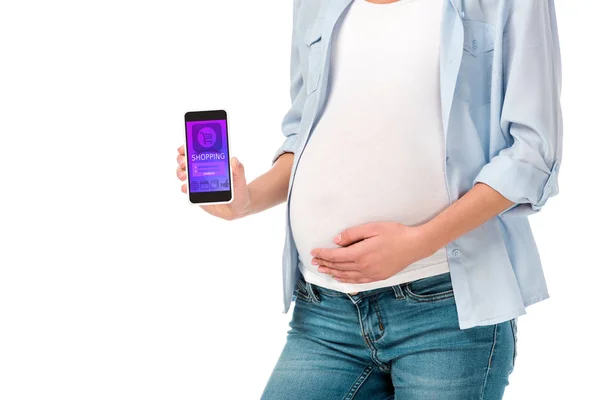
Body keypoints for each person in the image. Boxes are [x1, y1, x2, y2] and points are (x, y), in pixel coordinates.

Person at [176, 0, 563, 398]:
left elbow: (532, 153)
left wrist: (419, 242)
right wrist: (246, 199)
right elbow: (304, 133)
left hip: (445, 310)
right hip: (324, 311)